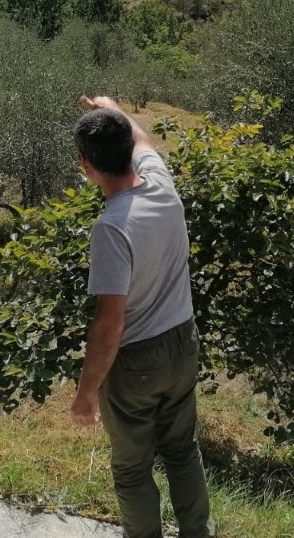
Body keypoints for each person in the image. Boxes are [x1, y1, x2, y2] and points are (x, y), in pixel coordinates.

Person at [71, 95, 214, 538]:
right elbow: (143, 138)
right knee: (182, 451)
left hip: (137, 361)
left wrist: (86, 392)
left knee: (132, 469)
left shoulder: (111, 228)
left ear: (86, 165)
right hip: (182, 343)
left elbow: (109, 323)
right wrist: (114, 109)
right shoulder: (160, 182)